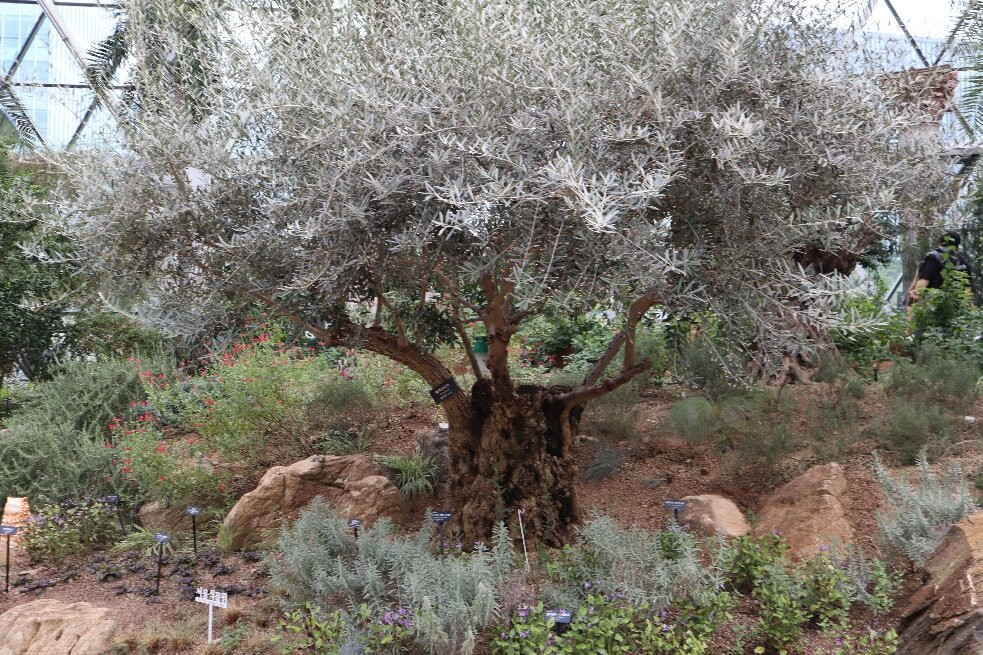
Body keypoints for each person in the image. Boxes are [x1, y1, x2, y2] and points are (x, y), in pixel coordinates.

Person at [906, 231, 972, 308]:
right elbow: (967, 294)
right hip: (957, 313)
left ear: (940, 242)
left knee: (914, 295)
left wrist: (910, 318)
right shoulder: (965, 265)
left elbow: (919, 289)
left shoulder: (933, 258)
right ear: (957, 246)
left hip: (933, 311)